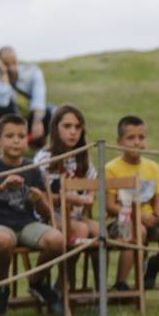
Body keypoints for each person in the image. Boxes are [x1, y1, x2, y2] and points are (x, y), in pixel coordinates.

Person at [0, 113, 65, 316]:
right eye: (10, 136)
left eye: (21, 136)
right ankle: (3, 286)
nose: (16, 141)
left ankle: (36, 282)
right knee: (2, 241)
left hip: (27, 224)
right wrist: (1, 187)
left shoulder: (32, 168)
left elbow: (47, 213)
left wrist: (38, 200)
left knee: (57, 240)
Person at [105, 115, 159, 293]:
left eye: (141, 137)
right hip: (122, 222)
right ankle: (121, 283)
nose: (137, 142)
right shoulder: (111, 168)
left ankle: (153, 264)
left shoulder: (152, 167)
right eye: (131, 138)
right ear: (119, 142)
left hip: (151, 220)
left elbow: (158, 201)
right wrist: (138, 216)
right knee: (138, 230)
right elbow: (110, 207)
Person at [34, 104, 100, 243]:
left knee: (99, 231)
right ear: (55, 128)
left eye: (78, 127)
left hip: (76, 216)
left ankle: (99, 265)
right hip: (49, 217)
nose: (73, 132)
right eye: (67, 126)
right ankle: (68, 266)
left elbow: (93, 182)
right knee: (81, 229)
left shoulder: (82, 157)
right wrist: (64, 198)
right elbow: (38, 197)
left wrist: (90, 196)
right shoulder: (44, 158)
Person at [0, 47, 52, 148]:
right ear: (0, 63)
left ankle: (38, 144)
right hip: (13, 116)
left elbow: (39, 98)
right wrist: (4, 79)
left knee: (48, 111)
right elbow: (2, 103)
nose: (11, 67)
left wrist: (37, 121)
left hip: (32, 114)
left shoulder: (33, 72)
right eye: (6, 63)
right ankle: (9, 145)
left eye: (13, 62)